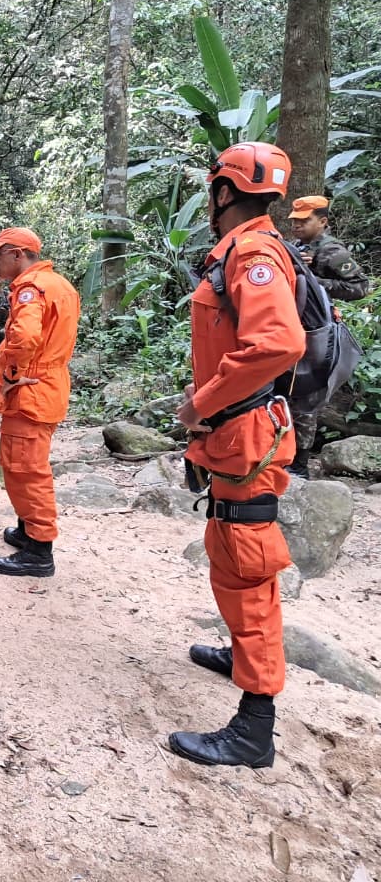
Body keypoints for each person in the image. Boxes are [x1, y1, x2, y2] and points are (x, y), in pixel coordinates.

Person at [168, 141, 306, 769]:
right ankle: (238, 652)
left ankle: (254, 727)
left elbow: (278, 342)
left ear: (224, 192)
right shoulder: (244, 250)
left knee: (248, 564)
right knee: (229, 550)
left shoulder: (251, 252)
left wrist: (202, 404)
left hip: (247, 433)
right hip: (234, 433)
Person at [0, 227, 79, 578]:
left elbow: (24, 337)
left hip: (32, 390)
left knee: (26, 468)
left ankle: (39, 551)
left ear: (18, 255)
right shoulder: (60, 285)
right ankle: (27, 531)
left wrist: (11, 372)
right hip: (49, 385)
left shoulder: (31, 288)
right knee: (25, 462)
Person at [285, 194, 371, 477]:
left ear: (322, 222)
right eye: (294, 221)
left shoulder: (331, 250)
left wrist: (312, 278)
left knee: (306, 396)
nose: (297, 226)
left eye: (303, 221)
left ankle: (299, 465)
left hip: (318, 333)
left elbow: (361, 288)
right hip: (294, 328)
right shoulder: (300, 246)